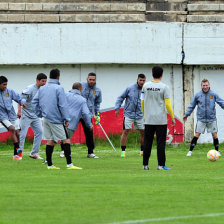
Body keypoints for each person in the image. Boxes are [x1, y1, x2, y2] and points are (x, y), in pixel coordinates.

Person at [32, 68, 82, 170]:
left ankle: (50, 165)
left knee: (52, 140)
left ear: (49, 76)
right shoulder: (59, 88)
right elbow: (62, 105)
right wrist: (66, 119)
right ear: (58, 77)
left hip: (46, 118)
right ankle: (70, 164)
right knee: (66, 140)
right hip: (56, 119)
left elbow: (34, 102)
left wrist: (40, 113)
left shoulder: (42, 88)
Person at [141, 66, 175, 170]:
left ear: (152, 74)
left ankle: (145, 165)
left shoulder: (145, 86)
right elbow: (168, 104)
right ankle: (161, 165)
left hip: (149, 119)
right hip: (160, 120)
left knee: (147, 143)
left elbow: (142, 102)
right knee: (160, 144)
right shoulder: (164, 87)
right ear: (162, 75)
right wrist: (172, 117)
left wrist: (144, 114)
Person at [183, 78, 224, 156]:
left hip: (212, 119)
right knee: (197, 135)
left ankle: (217, 151)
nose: (205, 87)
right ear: (201, 86)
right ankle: (190, 151)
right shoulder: (198, 95)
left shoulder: (213, 94)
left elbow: (221, 102)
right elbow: (192, 105)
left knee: (214, 135)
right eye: (203, 85)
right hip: (201, 119)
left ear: (209, 85)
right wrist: (187, 114)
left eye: (206, 85)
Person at [115, 74, 146, 158]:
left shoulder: (146, 89)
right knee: (126, 131)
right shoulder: (130, 88)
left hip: (140, 115)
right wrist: (117, 108)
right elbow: (120, 98)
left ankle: (142, 151)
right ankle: (123, 151)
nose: (142, 82)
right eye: (140, 80)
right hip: (129, 114)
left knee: (143, 132)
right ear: (137, 80)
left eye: (143, 80)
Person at [17, 73, 47, 160]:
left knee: (40, 132)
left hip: (36, 116)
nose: (44, 83)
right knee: (22, 134)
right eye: (42, 81)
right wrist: (19, 111)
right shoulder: (30, 89)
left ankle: (34, 153)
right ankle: (19, 154)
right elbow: (20, 99)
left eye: (45, 81)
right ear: (37, 80)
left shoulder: (44, 90)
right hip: (26, 115)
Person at [60, 82, 93, 158]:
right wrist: (89, 124)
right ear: (80, 89)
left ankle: (62, 152)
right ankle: (66, 154)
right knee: (67, 138)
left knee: (61, 137)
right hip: (72, 121)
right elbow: (85, 113)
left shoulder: (65, 95)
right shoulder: (82, 99)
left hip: (62, 119)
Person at [0, 76, 25, 160]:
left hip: (12, 115)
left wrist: (22, 103)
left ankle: (16, 155)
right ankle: (18, 151)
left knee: (18, 133)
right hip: (2, 116)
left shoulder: (10, 91)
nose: (5, 86)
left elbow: (18, 98)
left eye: (6, 84)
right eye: (3, 84)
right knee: (12, 129)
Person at [80, 72, 102, 158]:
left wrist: (97, 114)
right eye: (90, 79)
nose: (92, 81)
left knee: (89, 133)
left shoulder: (98, 90)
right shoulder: (80, 86)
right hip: (77, 113)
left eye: (93, 80)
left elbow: (97, 103)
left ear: (95, 80)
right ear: (87, 79)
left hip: (88, 114)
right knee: (70, 130)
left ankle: (90, 152)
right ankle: (63, 150)